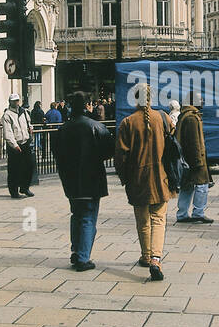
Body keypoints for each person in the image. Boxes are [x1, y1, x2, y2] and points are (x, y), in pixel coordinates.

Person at [114, 85, 174, 281]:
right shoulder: (163, 117)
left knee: (142, 220)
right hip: (160, 177)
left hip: (137, 179)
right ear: (151, 98)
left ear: (135, 99)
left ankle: (146, 256)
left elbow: (121, 156)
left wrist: (124, 178)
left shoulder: (127, 122)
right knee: (159, 219)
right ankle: (156, 258)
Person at [52, 91, 114, 270]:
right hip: (92, 179)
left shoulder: (63, 128)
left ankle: (75, 251)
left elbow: (56, 152)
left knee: (76, 215)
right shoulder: (96, 126)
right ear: (88, 106)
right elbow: (109, 150)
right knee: (88, 217)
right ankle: (83, 258)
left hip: (70, 180)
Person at [175, 92, 213, 224]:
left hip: (186, 158)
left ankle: (182, 214)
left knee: (187, 186)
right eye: (200, 99)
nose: (203, 101)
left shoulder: (185, 115)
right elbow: (194, 142)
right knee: (202, 185)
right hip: (195, 159)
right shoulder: (192, 118)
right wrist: (197, 161)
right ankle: (198, 213)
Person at [2, 94, 35, 198]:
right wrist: (14, 145)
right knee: (14, 169)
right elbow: (8, 132)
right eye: (13, 101)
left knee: (29, 165)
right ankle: (14, 191)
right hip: (15, 145)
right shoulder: (7, 114)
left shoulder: (23, 112)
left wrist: (30, 128)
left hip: (25, 142)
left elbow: (28, 122)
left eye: (17, 100)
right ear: (10, 102)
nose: (16, 102)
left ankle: (25, 187)